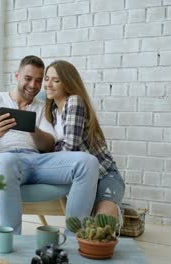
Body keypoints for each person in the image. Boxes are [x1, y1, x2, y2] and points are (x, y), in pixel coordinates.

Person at [0, 55, 99, 234]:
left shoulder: (43, 106)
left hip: (37, 161)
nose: (33, 85)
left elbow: (48, 145)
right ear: (17, 76)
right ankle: (12, 238)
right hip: (5, 161)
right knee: (6, 162)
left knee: (89, 162)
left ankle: (74, 238)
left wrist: (32, 129)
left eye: (39, 80)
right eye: (28, 78)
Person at [43, 60, 125, 223]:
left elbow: (70, 149)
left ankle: (115, 211)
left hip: (104, 175)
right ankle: (117, 212)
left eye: (56, 80)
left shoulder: (74, 101)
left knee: (103, 223)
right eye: (47, 78)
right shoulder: (52, 111)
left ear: (67, 83)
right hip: (82, 180)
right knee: (86, 225)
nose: (48, 84)